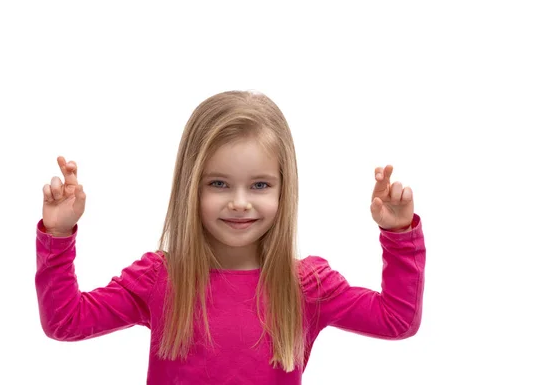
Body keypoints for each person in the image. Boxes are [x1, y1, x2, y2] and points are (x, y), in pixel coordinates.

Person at [36, 90, 426, 384]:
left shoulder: (306, 285)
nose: (239, 203)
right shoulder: (160, 278)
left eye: (259, 185)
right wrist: (57, 234)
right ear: (191, 187)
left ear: (282, 190)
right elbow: (65, 321)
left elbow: (397, 321)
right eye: (219, 183)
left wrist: (397, 235)